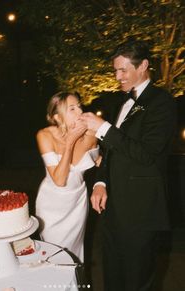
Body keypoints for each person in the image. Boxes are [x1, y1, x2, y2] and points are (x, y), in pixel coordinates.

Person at [81, 40, 176, 290]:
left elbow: (146, 154)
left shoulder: (162, 102)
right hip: (113, 210)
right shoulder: (120, 102)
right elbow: (111, 151)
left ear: (143, 65)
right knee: (112, 276)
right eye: (115, 70)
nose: (117, 76)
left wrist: (102, 128)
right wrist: (100, 182)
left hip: (141, 211)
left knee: (137, 280)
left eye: (123, 70)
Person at [35, 91, 100, 262]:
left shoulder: (90, 135)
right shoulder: (45, 135)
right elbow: (59, 180)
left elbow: (100, 160)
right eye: (72, 109)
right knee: (54, 254)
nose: (80, 111)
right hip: (52, 204)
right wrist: (70, 143)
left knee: (75, 253)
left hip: (77, 203)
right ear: (57, 117)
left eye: (79, 106)